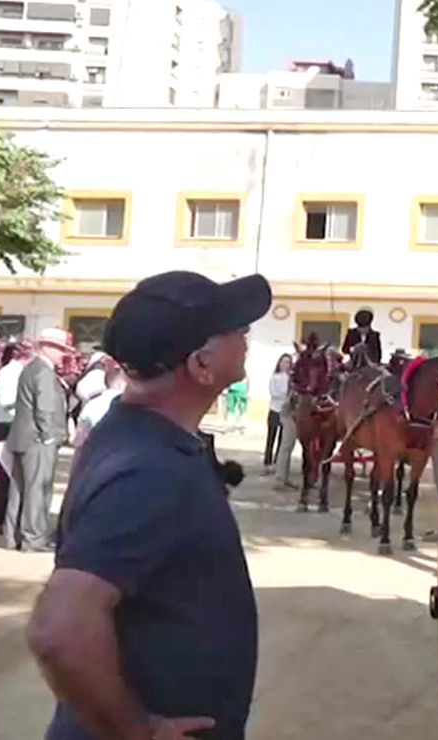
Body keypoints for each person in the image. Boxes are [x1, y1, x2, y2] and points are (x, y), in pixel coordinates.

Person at [26, 270, 269, 740]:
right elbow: (60, 630)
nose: (245, 338)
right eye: (234, 330)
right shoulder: (150, 470)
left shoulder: (130, 434)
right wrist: (138, 730)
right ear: (201, 364)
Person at [6, 327, 76, 553]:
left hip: (23, 437)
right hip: (38, 440)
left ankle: (13, 536)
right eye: (58, 349)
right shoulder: (44, 372)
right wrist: (49, 436)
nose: (61, 353)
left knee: (19, 490)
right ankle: (33, 539)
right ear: (46, 347)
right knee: (38, 490)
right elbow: (44, 408)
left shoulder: (31, 368)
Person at [0, 342, 31, 534]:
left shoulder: (16, 373)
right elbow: (6, 402)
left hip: (13, 425)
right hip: (7, 425)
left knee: (12, 475)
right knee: (6, 475)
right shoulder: (9, 374)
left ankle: (3, 516)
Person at [73, 362, 125, 448]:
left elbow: (80, 440)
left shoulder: (92, 405)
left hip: (96, 453)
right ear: (119, 383)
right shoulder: (128, 405)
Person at [263, 354, 293, 475]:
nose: (286, 365)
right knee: (271, 437)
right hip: (275, 409)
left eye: (288, 362)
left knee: (283, 439)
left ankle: (277, 463)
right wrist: (286, 395)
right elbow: (274, 393)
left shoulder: (291, 378)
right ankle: (267, 463)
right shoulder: (274, 377)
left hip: (286, 411)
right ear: (279, 363)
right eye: (284, 362)